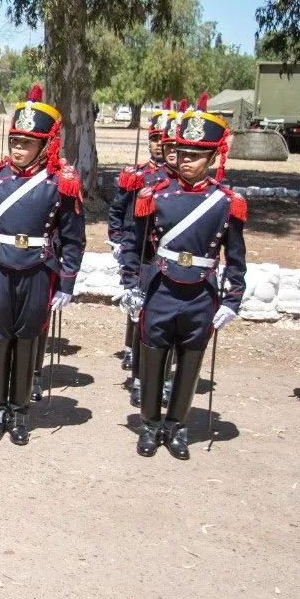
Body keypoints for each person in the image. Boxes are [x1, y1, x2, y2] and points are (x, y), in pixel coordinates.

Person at [120, 93, 247, 460]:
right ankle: (149, 424)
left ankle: (177, 426)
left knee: (190, 362)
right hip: (161, 288)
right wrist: (131, 284)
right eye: (183, 153)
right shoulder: (154, 196)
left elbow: (235, 257)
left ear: (212, 157)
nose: (186, 161)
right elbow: (136, 245)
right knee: (154, 357)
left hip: (201, 293)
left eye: (195, 155)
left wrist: (233, 299)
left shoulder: (226, 201)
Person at [0, 84, 86, 446]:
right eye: (15, 141)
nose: (18, 149)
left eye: (27, 143)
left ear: (45, 145)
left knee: (28, 340)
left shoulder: (60, 184)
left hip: (37, 270)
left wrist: (65, 283)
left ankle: (19, 413)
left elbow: (72, 238)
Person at [122, 100, 184, 407]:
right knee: (145, 324)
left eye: (174, 145)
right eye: (163, 143)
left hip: (181, 269)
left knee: (175, 328)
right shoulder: (148, 182)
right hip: (150, 261)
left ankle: (167, 378)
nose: (168, 151)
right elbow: (129, 222)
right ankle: (139, 377)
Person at [107, 99, 172, 377]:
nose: (159, 145)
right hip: (140, 247)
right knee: (137, 300)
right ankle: (133, 349)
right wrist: (117, 239)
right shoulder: (137, 175)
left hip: (165, 249)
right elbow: (118, 210)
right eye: (155, 139)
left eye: (164, 140)